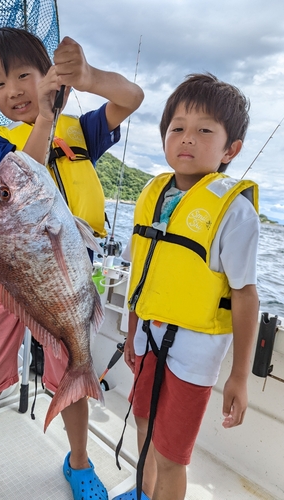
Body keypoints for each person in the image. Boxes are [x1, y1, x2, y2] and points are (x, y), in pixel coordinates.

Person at [0, 27, 144, 499]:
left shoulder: (84, 132)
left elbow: (132, 97)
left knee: (72, 365)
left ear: (48, 75)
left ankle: (78, 460)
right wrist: (46, 120)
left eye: (23, 75)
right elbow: (18, 180)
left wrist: (88, 76)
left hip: (66, 282)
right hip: (8, 279)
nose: (12, 91)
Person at [113, 73, 260, 500]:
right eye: (177, 127)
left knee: (172, 453)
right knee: (142, 421)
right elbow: (142, 271)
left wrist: (239, 377)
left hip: (193, 353)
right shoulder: (152, 194)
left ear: (230, 149)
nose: (187, 139)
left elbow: (246, 295)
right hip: (145, 336)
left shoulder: (234, 213)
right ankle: (143, 491)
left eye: (204, 130)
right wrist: (130, 333)